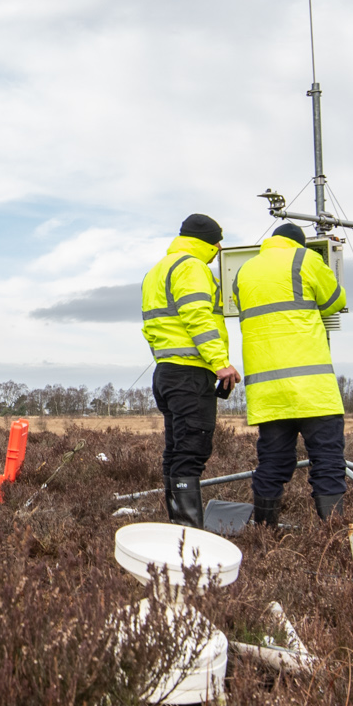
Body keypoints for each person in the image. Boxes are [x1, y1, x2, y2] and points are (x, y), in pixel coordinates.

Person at [233, 222, 347, 524]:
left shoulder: (245, 270)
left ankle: (264, 533)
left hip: (269, 393)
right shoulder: (306, 259)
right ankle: (333, 536)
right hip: (312, 388)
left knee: (272, 463)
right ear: (299, 243)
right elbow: (336, 300)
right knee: (328, 462)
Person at [141, 214, 240, 528]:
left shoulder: (158, 270)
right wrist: (220, 363)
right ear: (208, 242)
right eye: (217, 241)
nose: (220, 248)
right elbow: (197, 317)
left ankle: (179, 524)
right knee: (191, 449)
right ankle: (189, 531)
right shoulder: (191, 266)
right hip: (190, 372)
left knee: (176, 449)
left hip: (167, 371)